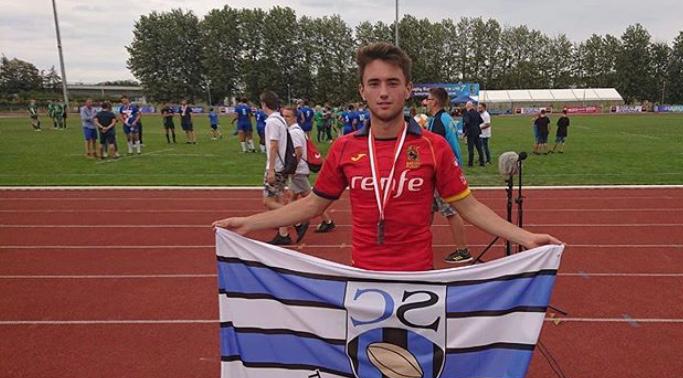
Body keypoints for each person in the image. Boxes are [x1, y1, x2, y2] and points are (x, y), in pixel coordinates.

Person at [213, 42, 561, 272]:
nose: (383, 92)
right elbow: (313, 205)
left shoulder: (433, 147)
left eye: (393, 83)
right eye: (374, 83)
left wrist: (525, 238)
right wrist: (250, 223)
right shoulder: (345, 147)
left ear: (408, 89)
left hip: (418, 277)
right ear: (362, 90)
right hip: (363, 276)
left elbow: (470, 208)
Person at [425, 87, 473, 264]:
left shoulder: (438, 121)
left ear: (435, 102)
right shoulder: (443, 118)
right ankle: (417, 243)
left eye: (428, 99)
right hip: (444, 170)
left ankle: (463, 250)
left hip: (443, 173)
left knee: (451, 211)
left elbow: (435, 150)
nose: (425, 102)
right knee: (426, 210)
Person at [257, 91, 309, 245]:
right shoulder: (280, 120)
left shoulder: (273, 122)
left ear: (264, 104)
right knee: (277, 198)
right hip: (282, 166)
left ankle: (297, 221)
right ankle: (283, 233)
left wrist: (271, 169)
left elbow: (273, 145)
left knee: (268, 201)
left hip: (277, 168)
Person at [283, 105, 336, 234]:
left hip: (298, 170)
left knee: (312, 201)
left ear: (295, 117)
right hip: (300, 169)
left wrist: (291, 169)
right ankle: (285, 223)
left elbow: (298, 152)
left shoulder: (294, 132)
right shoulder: (297, 130)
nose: (285, 119)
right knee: (291, 197)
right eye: (283, 116)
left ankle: (327, 221)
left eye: (288, 116)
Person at [462, 101, 484, 166]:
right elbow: (481, 121)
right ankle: (482, 162)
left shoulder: (467, 113)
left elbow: (466, 122)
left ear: (467, 106)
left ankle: (470, 163)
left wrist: (464, 132)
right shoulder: (477, 113)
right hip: (477, 132)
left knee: (471, 149)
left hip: (470, 132)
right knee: (479, 148)